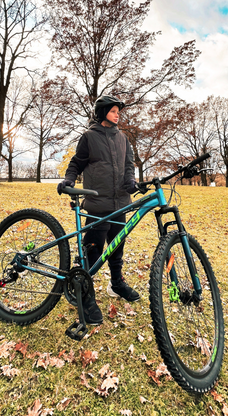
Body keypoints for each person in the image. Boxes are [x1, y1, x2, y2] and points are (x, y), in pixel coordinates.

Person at [57, 95, 140, 325]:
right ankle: (85, 291)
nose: (117, 114)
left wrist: (131, 181)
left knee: (117, 247)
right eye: (114, 111)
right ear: (103, 113)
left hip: (120, 203)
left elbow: (128, 166)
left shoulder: (123, 138)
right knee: (93, 251)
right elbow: (77, 162)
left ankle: (116, 283)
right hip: (97, 204)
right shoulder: (89, 137)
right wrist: (69, 180)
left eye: (118, 111)